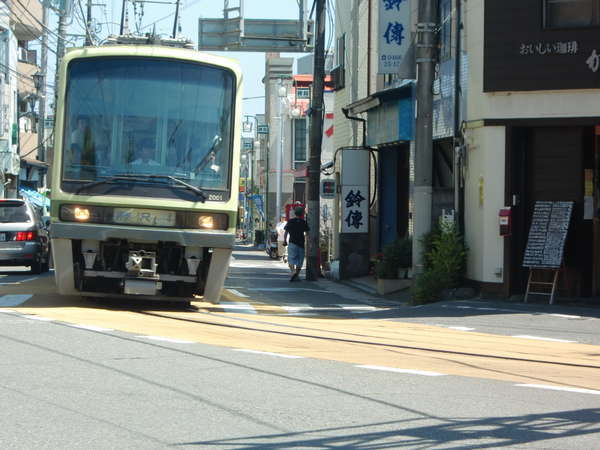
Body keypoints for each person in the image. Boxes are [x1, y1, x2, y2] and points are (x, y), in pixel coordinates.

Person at [283, 206, 310, 281]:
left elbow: (286, 232)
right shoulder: (303, 222)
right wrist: (309, 243)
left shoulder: (290, 221)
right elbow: (307, 233)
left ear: (295, 213)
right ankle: (297, 275)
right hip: (301, 244)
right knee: (300, 260)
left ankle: (293, 272)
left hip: (292, 243)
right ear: (302, 214)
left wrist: (285, 240)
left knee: (291, 259)